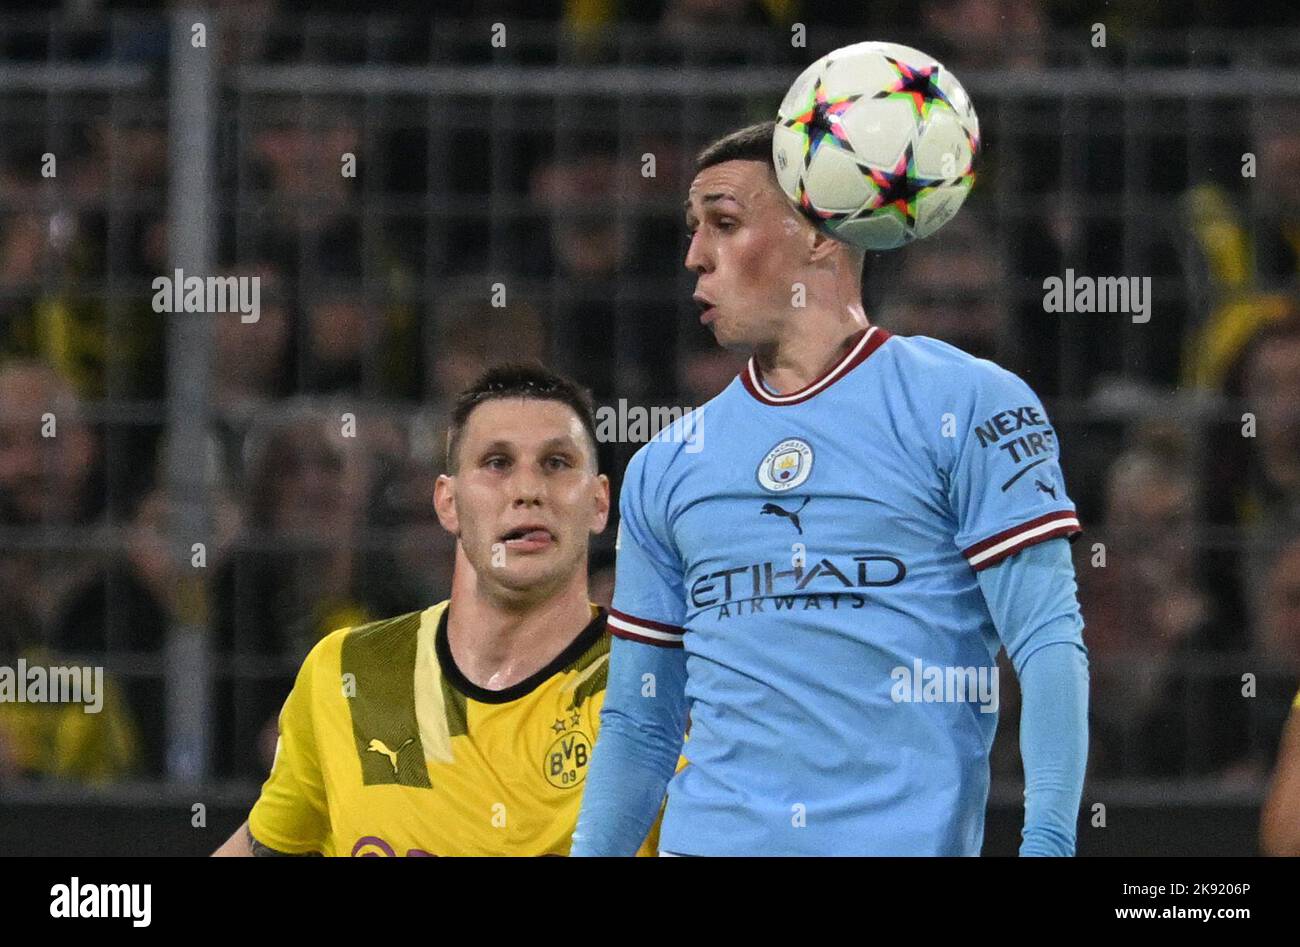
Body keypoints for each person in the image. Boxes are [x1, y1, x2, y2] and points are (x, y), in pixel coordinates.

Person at [572, 121, 1089, 856]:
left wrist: (1048, 845)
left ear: (820, 233)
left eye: (724, 223)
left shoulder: (967, 404)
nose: (694, 256)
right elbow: (640, 720)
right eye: (694, 230)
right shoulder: (666, 463)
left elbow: (1046, 646)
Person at [214, 364, 660, 855]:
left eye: (556, 463)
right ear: (447, 502)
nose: (527, 491)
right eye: (497, 463)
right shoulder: (346, 673)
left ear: (599, 503)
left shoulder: (659, 687)